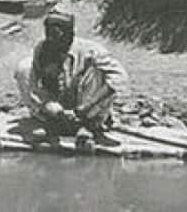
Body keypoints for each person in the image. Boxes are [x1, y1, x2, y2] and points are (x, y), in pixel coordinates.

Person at [14, 11, 129, 144]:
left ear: (70, 34)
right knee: (24, 67)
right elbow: (35, 85)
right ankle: (49, 122)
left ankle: (89, 126)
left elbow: (120, 78)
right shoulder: (42, 49)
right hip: (57, 106)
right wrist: (49, 105)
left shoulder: (91, 51)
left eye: (57, 34)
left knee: (98, 72)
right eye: (49, 33)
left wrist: (86, 106)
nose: (52, 39)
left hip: (86, 106)